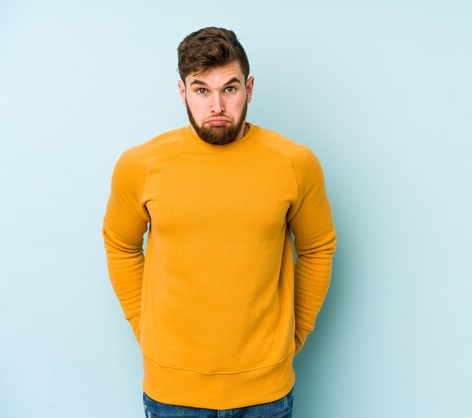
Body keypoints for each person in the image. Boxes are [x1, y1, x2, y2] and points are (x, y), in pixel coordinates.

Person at [102, 27, 336, 417]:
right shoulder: (140, 165)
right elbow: (120, 245)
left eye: (229, 89)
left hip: (265, 394)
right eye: (201, 90)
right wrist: (145, 329)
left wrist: (295, 332)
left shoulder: (295, 164)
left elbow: (317, 248)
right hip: (173, 394)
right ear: (182, 92)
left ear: (249, 87)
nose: (216, 106)